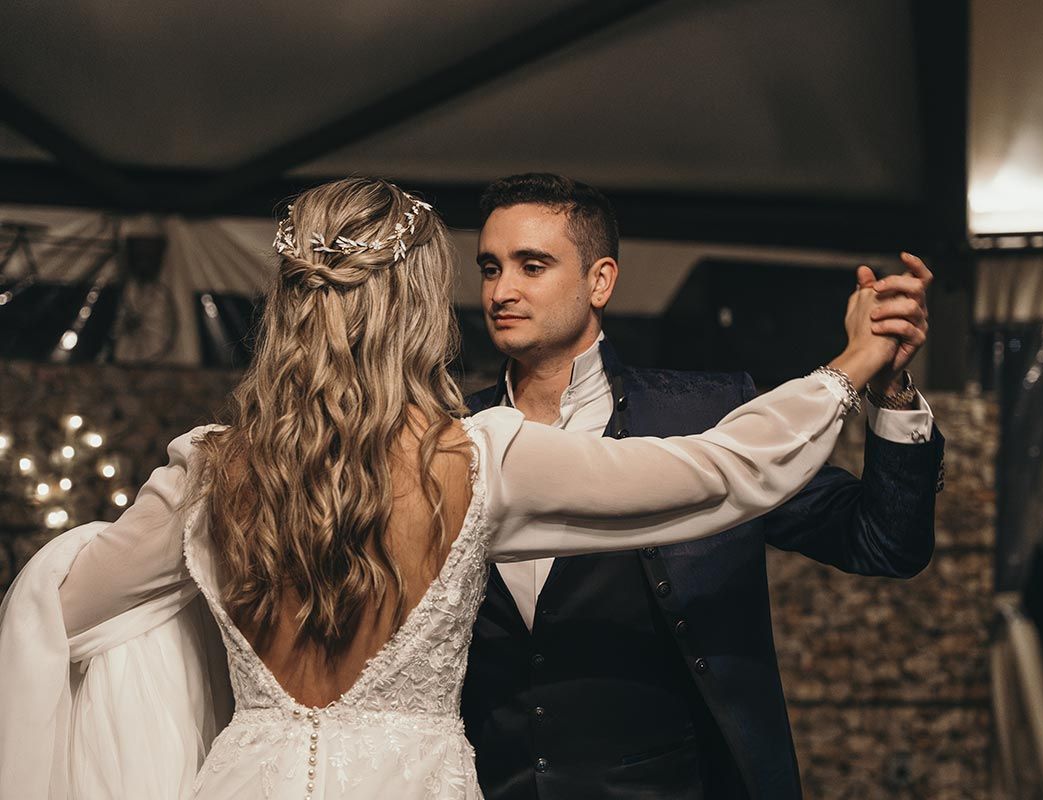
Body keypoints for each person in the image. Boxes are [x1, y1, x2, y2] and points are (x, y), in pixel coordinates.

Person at [1, 177, 901, 800]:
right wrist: (851, 366)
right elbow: (719, 472)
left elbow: (60, 612)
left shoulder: (207, 471)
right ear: (419, 305)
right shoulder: (479, 458)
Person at [461, 173, 945, 799]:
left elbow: (883, 543)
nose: (502, 290)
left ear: (600, 280)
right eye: (490, 267)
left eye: (532, 266)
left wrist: (892, 391)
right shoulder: (446, 432)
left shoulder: (709, 418)